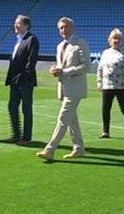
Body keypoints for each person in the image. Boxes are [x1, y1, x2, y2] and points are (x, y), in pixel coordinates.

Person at [36, 17, 90, 162]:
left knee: (63, 119)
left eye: (65, 27)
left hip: (75, 88)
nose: (63, 30)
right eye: (60, 28)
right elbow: (61, 65)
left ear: (72, 28)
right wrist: (55, 69)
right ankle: (79, 148)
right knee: (72, 120)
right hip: (62, 88)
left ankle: (50, 149)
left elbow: (87, 66)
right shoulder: (60, 46)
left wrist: (64, 72)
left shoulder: (80, 43)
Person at [96, 29, 124, 140]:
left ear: (121, 40)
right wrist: (99, 82)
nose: (116, 41)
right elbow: (100, 68)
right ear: (110, 40)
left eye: (118, 39)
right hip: (107, 85)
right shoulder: (105, 53)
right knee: (105, 109)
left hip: (122, 86)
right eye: (114, 38)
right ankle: (106, 131)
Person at [5, 15, 39, 146]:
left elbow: (31, 61)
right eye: (15, 23)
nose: (15, 26)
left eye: (18, 24)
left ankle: (26, 137)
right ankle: (16, 134)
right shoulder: (18, 40)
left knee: (26, 109)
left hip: (25, 81)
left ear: (26, 25)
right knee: (12, 106)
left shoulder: (31, 39)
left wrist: (24, 76)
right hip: (15, 81)